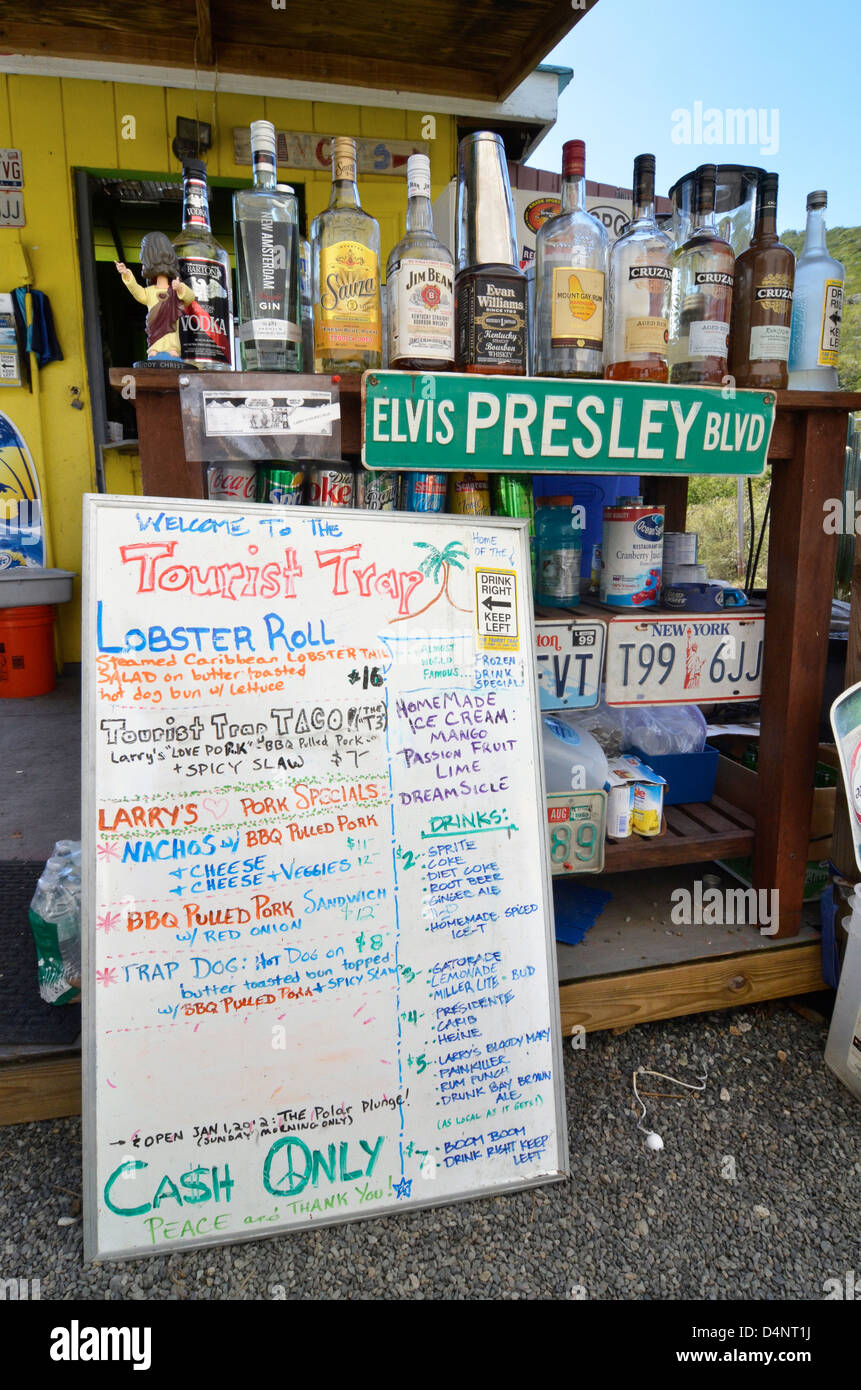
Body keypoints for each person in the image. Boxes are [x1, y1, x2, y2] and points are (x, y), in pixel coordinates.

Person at [115, 232, 194, 362]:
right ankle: (154, 349)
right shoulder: (149, 292)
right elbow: (137, 291)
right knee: (154, 335)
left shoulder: (175, 291)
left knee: (171, 331)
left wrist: (180, 287)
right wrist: (126, 274)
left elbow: (190, 298)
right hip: (154, 331)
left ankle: (172, 349)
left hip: (172, 336)